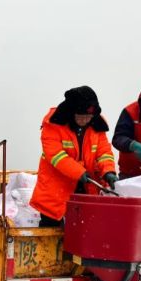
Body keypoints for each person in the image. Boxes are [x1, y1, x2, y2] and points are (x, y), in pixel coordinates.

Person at [30, 86, 118, 226]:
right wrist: (79, 172)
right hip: (55, 189)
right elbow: (56, 156)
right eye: (81, 116)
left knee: (85, 231)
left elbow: (104, 153)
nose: (86, 120)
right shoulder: (53, 125)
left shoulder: (97, 126)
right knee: (52, 232)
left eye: (89, 117)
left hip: (86, 188)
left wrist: (108, 171)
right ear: (71, 112)